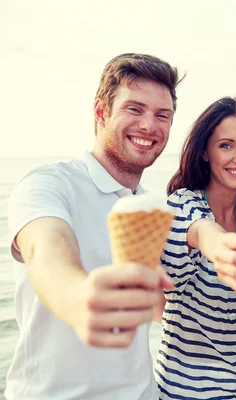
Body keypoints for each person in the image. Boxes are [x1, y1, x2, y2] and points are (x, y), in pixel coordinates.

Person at [6, 53, 181, 399]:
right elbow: (46, 248)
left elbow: (158, 306)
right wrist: (77, 297)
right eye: (134, 109)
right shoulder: (48, 184)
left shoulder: (151, 208)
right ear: (101, 111)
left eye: (162, 115)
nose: (149, 125)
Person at [156, 97, 236, 400]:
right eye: (226, 145)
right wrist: (221, 245)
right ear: (204, 153)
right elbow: (201, 231)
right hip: (190, 389)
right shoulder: (182, 205)